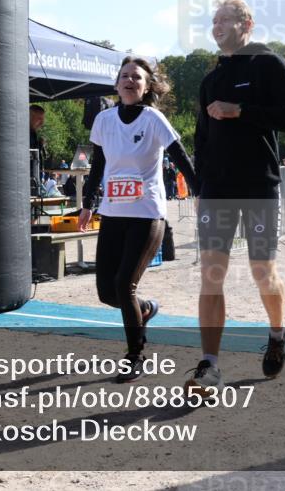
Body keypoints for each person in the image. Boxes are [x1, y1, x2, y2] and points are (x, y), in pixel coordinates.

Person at [187, 0, 285, 396]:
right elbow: (201, 139)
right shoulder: (211, 79)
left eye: (224, 19)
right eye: (213, 20)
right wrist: (199, 188)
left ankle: (277, 332)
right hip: (217, 189)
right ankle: (210, 364)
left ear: (246, 23)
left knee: (261, 271)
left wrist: (240, 110)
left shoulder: (269, 64)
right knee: (210, 273)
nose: (216, 26)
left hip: (258, 186)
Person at [77, 57, 197, 383]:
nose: (130, 81)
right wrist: (88, 204)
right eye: (125, 76)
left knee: (123, 284)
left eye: (137, 78)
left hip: (146, 214)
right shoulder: (103, 119)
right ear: (117, 85)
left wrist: (201, 193)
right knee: (106, 292)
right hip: (113, 214)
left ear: (146, 88)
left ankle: (135, 356)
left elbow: (180, 157)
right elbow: (98, 165)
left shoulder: (153, 119)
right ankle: (145, 308)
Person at [29, 105, 47, 195]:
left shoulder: (33, 133)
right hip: (29, 179)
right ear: (30, 116)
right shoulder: (25, 132)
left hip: (35, 177)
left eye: (43, 119)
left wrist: (40, 144)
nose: (42, 122)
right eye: (39, 119)